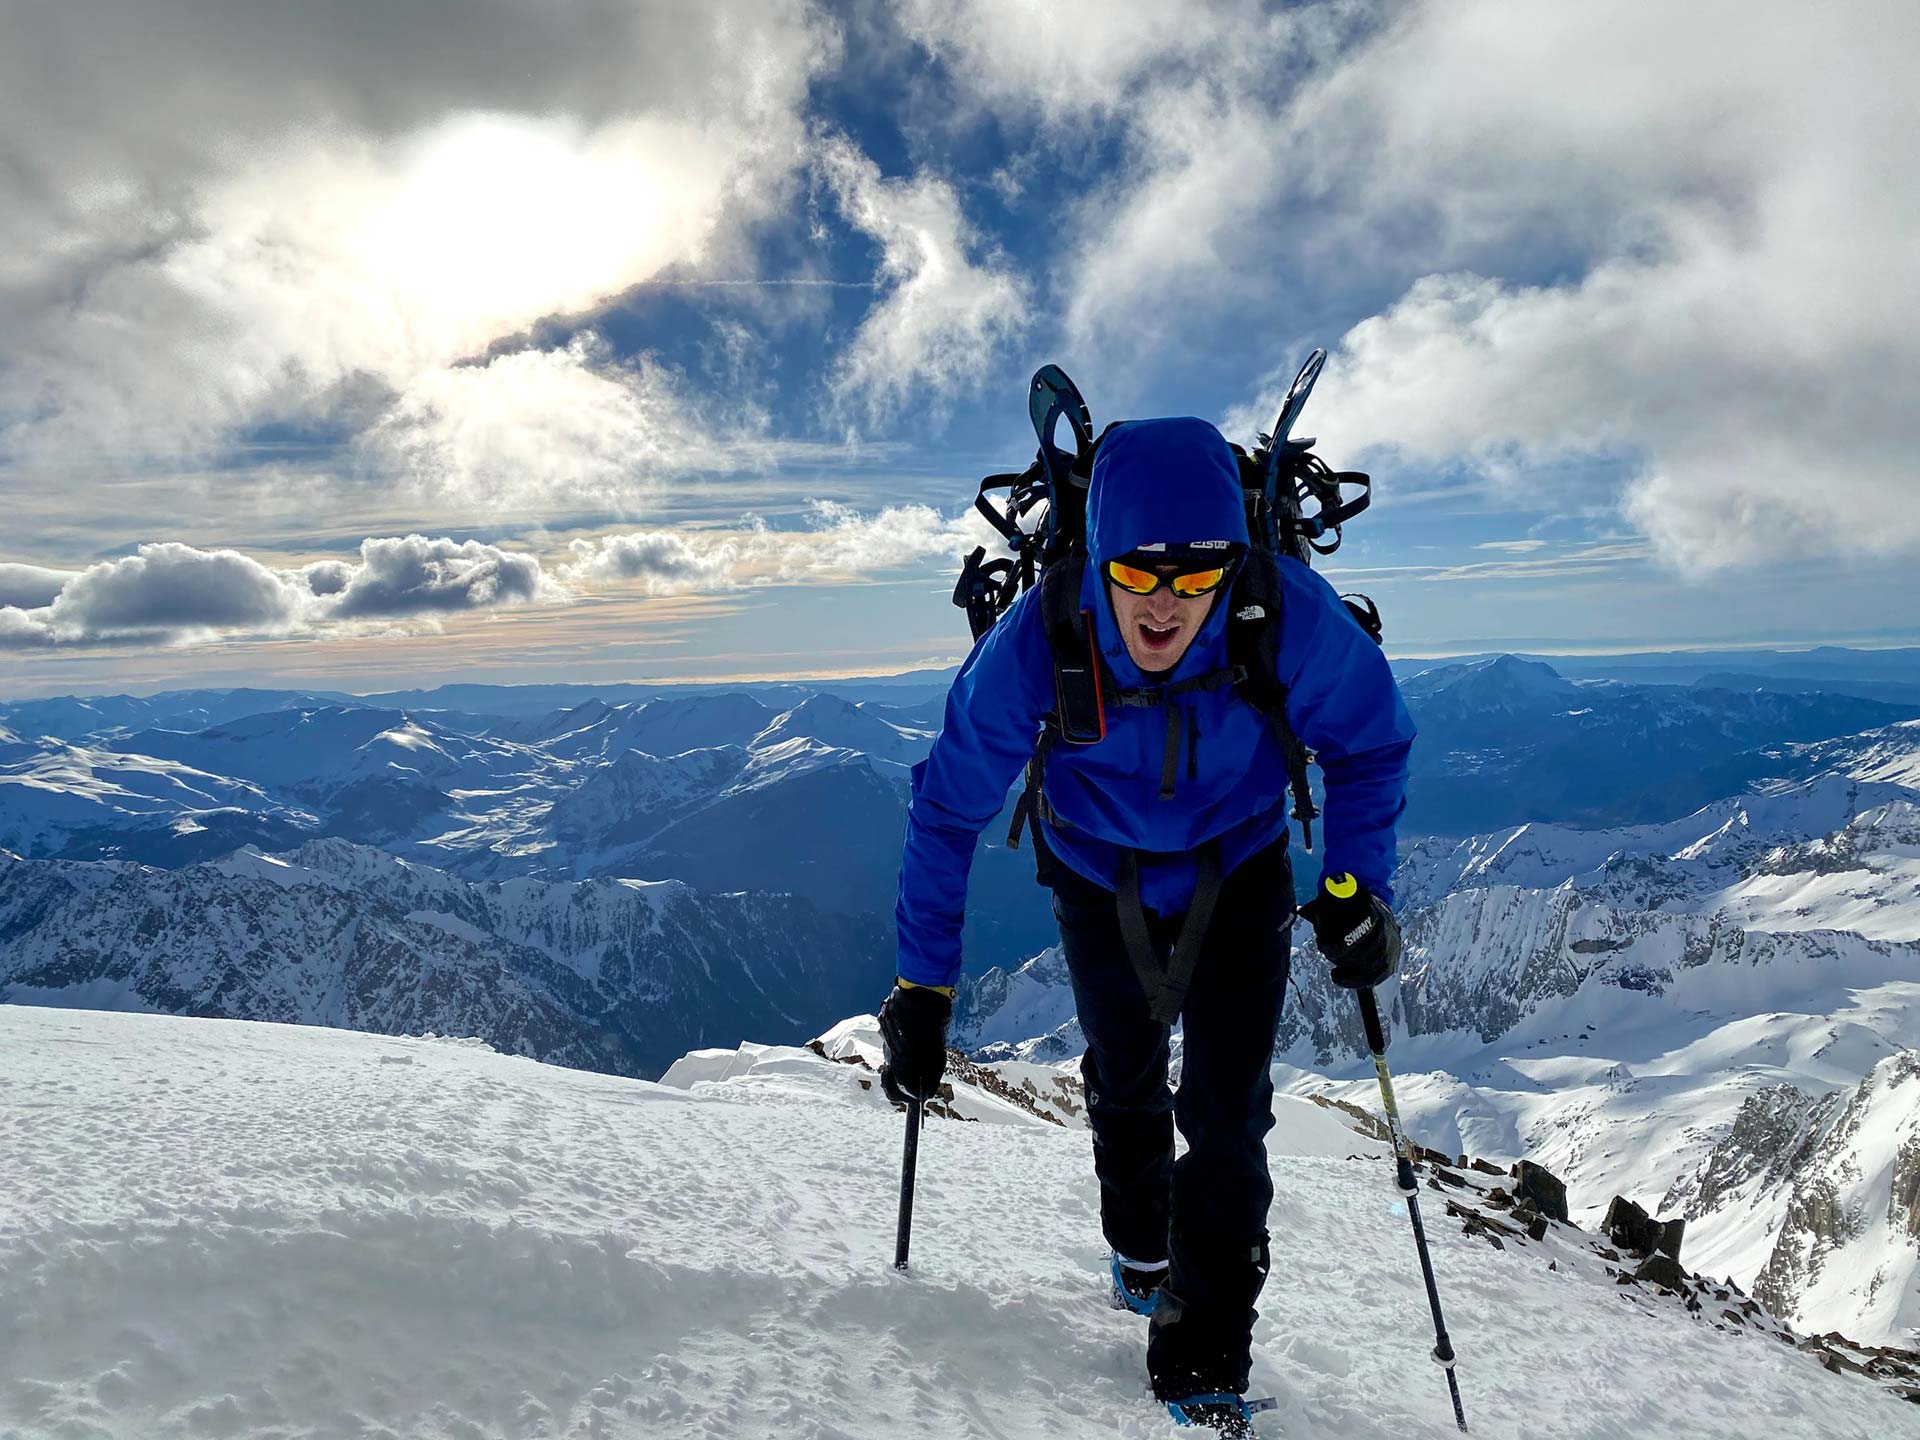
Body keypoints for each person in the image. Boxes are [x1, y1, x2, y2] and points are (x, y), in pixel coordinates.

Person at [878, 415, 1414, 1435]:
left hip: (1241, 863)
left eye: (1196, 576)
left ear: (1234, 566)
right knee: (1124, 1072)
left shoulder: (1279, 609)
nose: (1165, 603)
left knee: (1227, 1114)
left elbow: (1371, 743)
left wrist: (1356, 888)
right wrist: (923, 985)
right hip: (1094, 866)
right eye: (1138, 573)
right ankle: (1141, 1246)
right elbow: (947, 805)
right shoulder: (1043, 631)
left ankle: (1205, 1354)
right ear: (1100, 558)